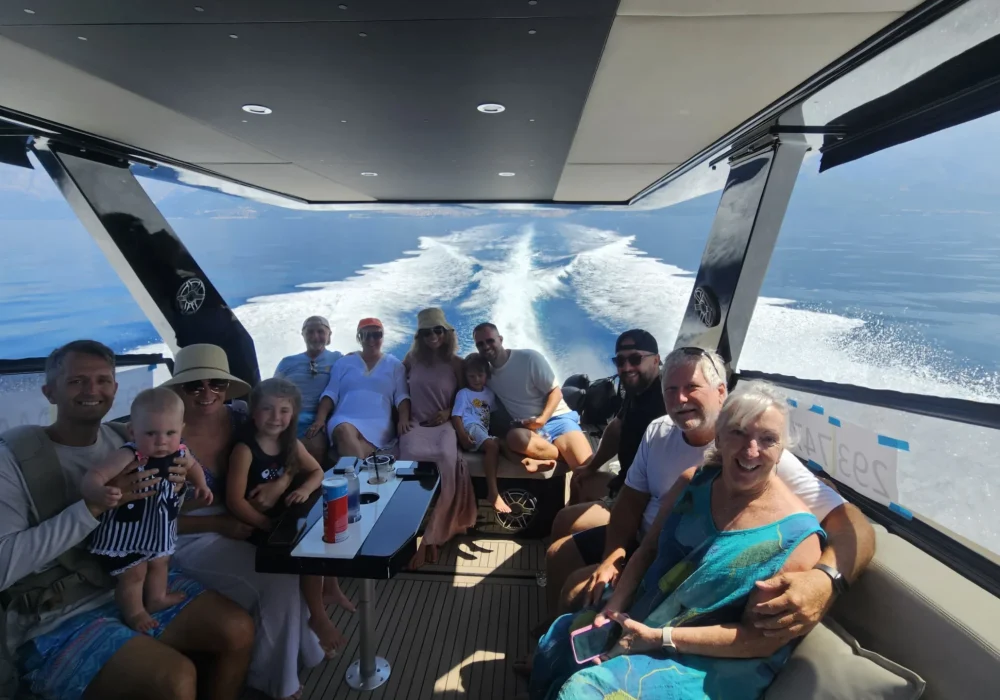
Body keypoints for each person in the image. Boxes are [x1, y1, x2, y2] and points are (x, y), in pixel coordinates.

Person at [538, 346, 874, 653]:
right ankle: (545, 642)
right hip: (647, 542)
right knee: (560, 550)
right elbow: (630, 499)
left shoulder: (755, 453)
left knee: (576, 587)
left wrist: (825, 580)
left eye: (692, 387)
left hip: (680, 560)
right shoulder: (659, 431)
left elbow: (854, 524)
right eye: (671, 389)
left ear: (721, 392)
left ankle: (561, 645)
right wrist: (614, 555)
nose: (680, 398)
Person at [529, 381, 825, 700]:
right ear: (720, 436)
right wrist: (613, 610)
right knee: (561, 639)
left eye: (768, 439)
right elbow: (648, 550)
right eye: (739, 432)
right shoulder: (693, 483)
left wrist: (659, 638)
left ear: (781, 449)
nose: (751, 450)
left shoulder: (797, 539)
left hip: (710, 662)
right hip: (645, 616)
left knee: (583, 691)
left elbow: (759, 640)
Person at [0, 340, 254, 700]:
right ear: (49, 391)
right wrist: (92, 508)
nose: (92, 390)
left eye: (103, 380)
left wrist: (181, 489)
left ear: (115, 390)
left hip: (132, 579)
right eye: (76, 381)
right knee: (174, 678)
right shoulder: (13, 460)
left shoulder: (130, 439)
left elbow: (162, 518)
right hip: (53, 613)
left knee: (238, 629)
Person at [165, 344, 329, 700]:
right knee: (278, 581)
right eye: (195, 386)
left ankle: (303, 648)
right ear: (179, 389)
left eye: (216, 385)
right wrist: (217, 524)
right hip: (190, 536)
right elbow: (152, 523)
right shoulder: (164, 440)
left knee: (295, 560)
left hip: (245, 520)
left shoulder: (241, 415)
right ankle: (274, 682)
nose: (207, 394)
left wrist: (281, 483)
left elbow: (288, 450)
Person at [226, 378, 348, 658]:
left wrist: (305, 489)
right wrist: (265, 524)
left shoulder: (289, 443)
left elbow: (317, 472)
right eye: (267, 409)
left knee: (330, 527)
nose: (275, 418)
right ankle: (318, 616)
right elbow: (235, 500)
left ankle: (332, 587)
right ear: (254, 412)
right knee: (308, 554)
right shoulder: (245, 450)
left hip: (287, 516)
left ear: (293, 414)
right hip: (262, 523)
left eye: (283, 410)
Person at [82, 387, 214, 633]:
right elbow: (94, 475)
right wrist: (99, 492)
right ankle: (134, 612)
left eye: (170, 433)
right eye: (151, 433)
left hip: (158, 526)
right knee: (134, 573)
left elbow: (194, 467)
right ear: (132, 431)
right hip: (127, 529)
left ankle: (156, 598)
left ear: (181, 430)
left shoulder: (181, 451)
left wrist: (202, 485)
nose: (162, 441)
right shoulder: (130, 454)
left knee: (161, 562)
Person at [400, 308, 477, 568]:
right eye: (426, 332)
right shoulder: (410, 359)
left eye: (438, 330)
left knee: (448, 459)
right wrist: (402, 416)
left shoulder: (457, 363)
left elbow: (466, 396)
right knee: (407, 462)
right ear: (419, 336)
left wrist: (447, 412)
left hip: (444, 426)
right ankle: (410, 536)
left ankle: (430, 540)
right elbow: (399, 391)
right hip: (415, 424)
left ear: (446, 333)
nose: (432, 336)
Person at [566, 329, 665, 518]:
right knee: (579, 479)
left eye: (635, 359)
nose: (627, 368)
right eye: (620, 361)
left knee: (564, 523)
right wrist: (591, 467)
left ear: (655, 360)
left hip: (646, 497)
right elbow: (617, 428)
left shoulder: (667, 397)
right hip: (626, 482)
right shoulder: (636, 389)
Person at [472, 323, 593, 478]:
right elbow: (465, 370)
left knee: (586, 473)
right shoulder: (485, 376)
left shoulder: (529, 358)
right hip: (530, 432)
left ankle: (560, 457)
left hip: (557, 418)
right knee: (513, 438)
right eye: (480, 344)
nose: (486, 346)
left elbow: (556, 393)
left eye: (490, 341)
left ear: (500, 339)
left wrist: (541, 420)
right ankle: (564, 455)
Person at [308, 318, 411, 459]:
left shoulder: (395, 365)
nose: (371, 340)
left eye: (376, 335)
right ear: (359, 338)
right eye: (365, 335)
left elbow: (402, 396)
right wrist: (320, 419)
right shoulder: (344, 362)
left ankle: (355, 472)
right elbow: (330, 393)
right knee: (344, 430)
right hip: (344, 417)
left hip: (379, 421)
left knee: (354, 451)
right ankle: (361, 473)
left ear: (382, 336)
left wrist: (403, 419)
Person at [274, 315, 342, 464]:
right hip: (288, 416)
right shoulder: (287, 362)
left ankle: (311, 484)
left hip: (318, 418)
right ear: (303, 335)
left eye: (320, 331)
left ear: (329, 335)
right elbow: (272, 391)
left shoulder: (338, 359)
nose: (315, 336)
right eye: (310, 332)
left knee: (313, 446)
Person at [452, 352, 506, 513]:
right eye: (471, 376)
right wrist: (462, 436)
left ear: (486, 375)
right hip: (470, 428)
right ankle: (493, 493)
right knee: (492, 446)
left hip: (483, 429)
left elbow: (495, 414)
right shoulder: (464, 394)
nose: (476, 379)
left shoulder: (489, 393)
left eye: (480, 375)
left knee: (502, 443)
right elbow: (456, 416)